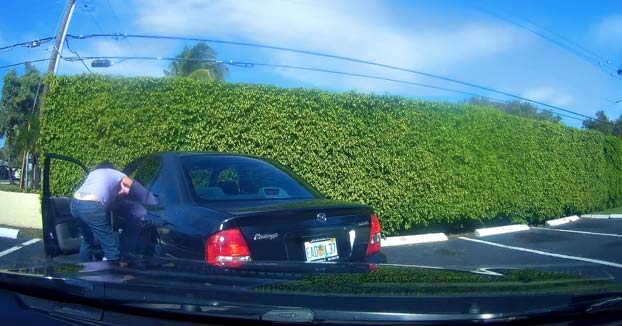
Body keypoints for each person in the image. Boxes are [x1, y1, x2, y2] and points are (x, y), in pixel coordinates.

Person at [70, 162, 134, 266]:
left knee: (87, 239)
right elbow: (134, 186)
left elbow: (107, 202)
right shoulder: (118, 174)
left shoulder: (93, 173)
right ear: (112, 169)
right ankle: (114, 274)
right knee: (109, 243)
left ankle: (84, 271)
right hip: (90, 206)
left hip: (74, 204)